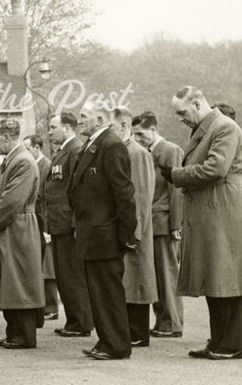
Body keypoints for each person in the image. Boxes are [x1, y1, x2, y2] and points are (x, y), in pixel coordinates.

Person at [165, 87, 242, 359]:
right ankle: (220, 340)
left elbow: (215, 168)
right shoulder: (209, 127)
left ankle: (233, 344)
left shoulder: (224, 127)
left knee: (230, 279)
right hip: (215, 209)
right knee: (217, 278)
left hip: (225, 210)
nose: (180, 118)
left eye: (182, 112)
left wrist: (176, 174)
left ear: (197, 103)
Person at [68, 102, 137, 360]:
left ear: (99, 119)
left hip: (105, 232)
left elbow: (124, 193)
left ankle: (117, 344)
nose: (80, 121)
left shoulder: (111, 145)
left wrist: (127, 233)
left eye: (84, 117)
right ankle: (107, 339)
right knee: (98, 291)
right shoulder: (94, 144)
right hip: (92, 232)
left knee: (108, 291)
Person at [0, 119, 45, 349]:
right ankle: (14, 332)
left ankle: (24, 336)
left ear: (7, 137)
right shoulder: (15, 159)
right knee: (11, 281)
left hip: (18, 227)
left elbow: (10, 201)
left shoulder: (23, 162)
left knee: (20, 283)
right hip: (11, 227)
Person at [132, 111, 185, 338]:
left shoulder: (171, 151)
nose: (138, 139)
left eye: (141, 134)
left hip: (164, 222)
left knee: (167, 274)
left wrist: (176, 225)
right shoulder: (145, 152)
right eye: (134, 134)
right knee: (154, 275)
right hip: (151, 222)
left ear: (154, 130)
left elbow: (177, 190)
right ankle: (162, 320)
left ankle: (171, 322)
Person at [45, 112, 92, 338]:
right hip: (58, 222)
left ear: (67, 127)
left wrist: (75, 223)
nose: (50, 131)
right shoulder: (64, 151)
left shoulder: (75, 150)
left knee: (72, 274)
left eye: (53, 127)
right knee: (64, 274)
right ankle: (74, 319)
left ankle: (81, 321)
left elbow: (78, 189)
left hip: (67, 223)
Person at [114, 107, 158, 348]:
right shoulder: (123, 150)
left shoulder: (137, 153)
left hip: (135, 228)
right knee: (128, 281)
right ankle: (131, 330)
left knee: (137, 280)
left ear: (123, 126)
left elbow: (141, 195)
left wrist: (135, 231)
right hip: (127, 226)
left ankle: (138, 332)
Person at [25, 134, 58, 323]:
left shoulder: (46, 166)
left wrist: (47, 228)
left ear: (37, 148)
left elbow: (47, 199)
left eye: (28, 148)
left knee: (48, 268)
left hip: (43, 222)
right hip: (35, 220)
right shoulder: (33, 164)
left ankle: (51, 306)